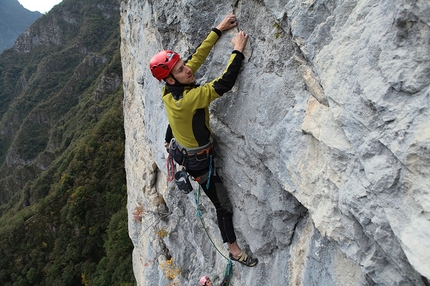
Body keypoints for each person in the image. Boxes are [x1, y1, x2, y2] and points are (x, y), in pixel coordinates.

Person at [149, 14, 258, 267]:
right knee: (223, 207)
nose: (187, 69)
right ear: (170, 79)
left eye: (181, 64)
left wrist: (218, 29)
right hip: (199, 164)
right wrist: (237, 51)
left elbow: (196, 57)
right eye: (179, 69)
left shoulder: (170, 88)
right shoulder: (186, 99)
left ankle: (170, 143)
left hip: (185, 146)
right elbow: (223, 84)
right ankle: (233, 249)